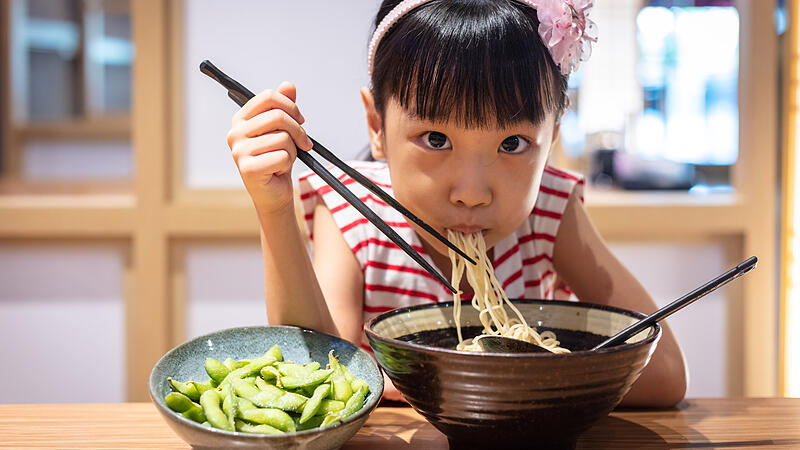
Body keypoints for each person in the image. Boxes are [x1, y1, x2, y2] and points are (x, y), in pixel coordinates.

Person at [225, 0, 687, 407]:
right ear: (376, 126)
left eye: (513, 144)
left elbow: (663, 377)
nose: (471, 191)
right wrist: (274, 209)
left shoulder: (551, 209)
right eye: (436, 138)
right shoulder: (355, 209)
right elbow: (318, 376)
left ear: (553, 139)